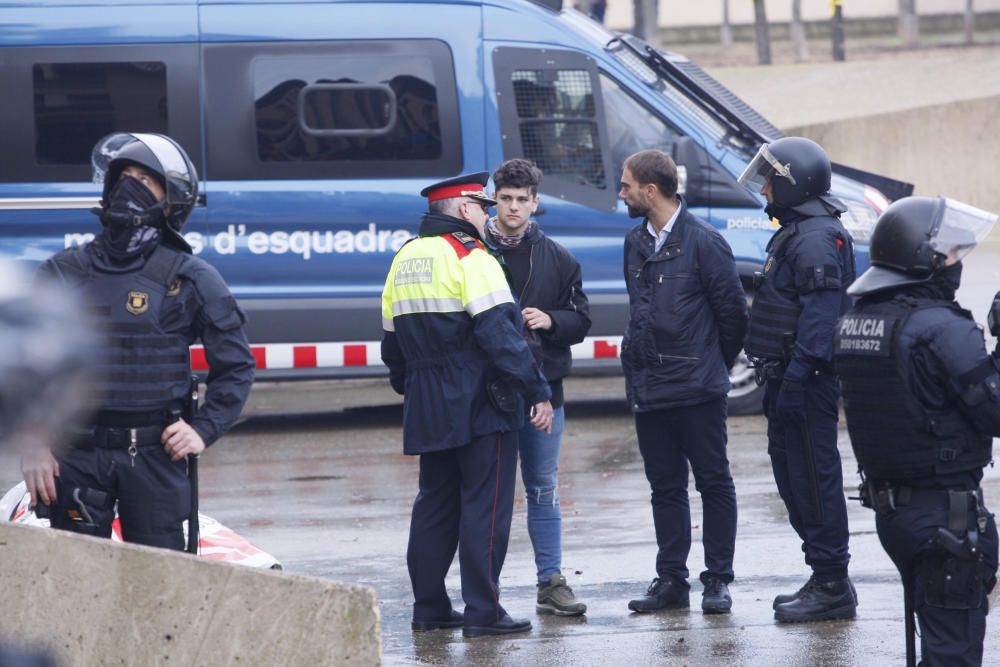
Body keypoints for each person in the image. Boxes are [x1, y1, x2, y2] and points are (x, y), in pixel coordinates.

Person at [22, 132, 255, 552]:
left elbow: (236, 366)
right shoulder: (64, 272)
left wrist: (202, 429)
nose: (129, 185)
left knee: (160, 591)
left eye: (145, 180)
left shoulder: (190, 277)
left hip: (154, 456)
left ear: (171, 200)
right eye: (123, 176)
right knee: (78, 584)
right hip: (76, 454)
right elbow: (25, 366)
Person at [380, 172, 554, 638]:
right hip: (480, 402)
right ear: (461, 210)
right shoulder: (471, 256)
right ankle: (484, 612)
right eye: (481, 206)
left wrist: (413, 388)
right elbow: (502, 336)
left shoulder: (404, 259)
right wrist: (537, 391)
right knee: (485, 507)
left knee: (434, 505)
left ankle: (430, 607)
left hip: (426, 402)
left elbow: (391, 344)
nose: (487, 213)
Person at [833, 196, 999, 666]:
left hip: (895, 513)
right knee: (953, 652)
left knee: (934, 643)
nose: (956, 262)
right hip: (945, 517)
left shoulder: (856, 321)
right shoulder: (941, 328)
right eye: (949, 254)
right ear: (924, 260)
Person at [619, 150, 748, 615]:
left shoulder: (705, 242)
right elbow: (641, 310)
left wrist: (708, 362)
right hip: (650, 387)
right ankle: (671, 580)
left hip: (697, 388)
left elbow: (733, 316)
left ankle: (718, 580)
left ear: (650, 191)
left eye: (626, 185)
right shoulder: (635, 241)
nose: (622, 193)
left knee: (713, 482)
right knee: (665, 487)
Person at [738, 136, 858, 622]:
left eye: (772, 180)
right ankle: (823, 574)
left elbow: (820, 318)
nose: (765, 189)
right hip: (788, 380)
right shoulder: (798, 232)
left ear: (795, 183)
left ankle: (832, 584)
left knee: (813, 477)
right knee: (794, 479)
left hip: (805, 383)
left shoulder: (815, 237)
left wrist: (797, 379)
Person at [486, 159, 591, 616]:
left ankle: (550, 581)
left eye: (521, 200)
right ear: (494, 198)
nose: (513, 208)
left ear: (535, 203)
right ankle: (482, 588)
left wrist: (552, 320)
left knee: (543, 487)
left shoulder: (559, 258)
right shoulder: (472, 251)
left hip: (546, 389)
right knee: (487, 491)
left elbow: (582, 320)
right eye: (505, 198)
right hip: (487, 391)